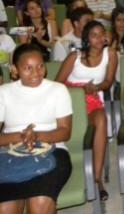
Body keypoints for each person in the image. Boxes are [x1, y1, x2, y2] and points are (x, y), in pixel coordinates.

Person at [0, 44, 73, 213]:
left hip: (52, 150)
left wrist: (37, 135)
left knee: (39, 204)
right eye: (28, 68)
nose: (36, 73)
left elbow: (65, 132)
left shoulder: (58, 90)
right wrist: (22, 137)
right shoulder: (3, 92)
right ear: (15, 69)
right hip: (10, 154)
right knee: (5, 209)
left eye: (40, 66)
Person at [56, 21, 117, 200]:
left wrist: (95, 87)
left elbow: (108, 82)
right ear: (87, 39)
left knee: (101, 120)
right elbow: (56, 84)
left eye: (102, 33)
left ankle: (97, 178)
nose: (99, 38)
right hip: (71, 101)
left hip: (93, 99)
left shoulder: (110, 54)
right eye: (94, 35)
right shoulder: (74, 57)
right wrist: (80, 88)